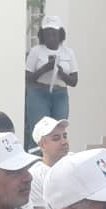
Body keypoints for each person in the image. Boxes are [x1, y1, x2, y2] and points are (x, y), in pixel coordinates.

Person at [25, 15, 79, 149]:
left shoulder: (68, 53)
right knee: (39, 132)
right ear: (42, 35)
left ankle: (57, 158)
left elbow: (74, 81)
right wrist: (45, 69)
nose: (51, 37)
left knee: (58, 130)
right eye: (47, 34)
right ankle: (37, 159)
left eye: (54, 34)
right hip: (38, 93)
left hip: (60, 94)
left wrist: (61, 73)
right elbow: (28, 77)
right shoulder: (36, 51)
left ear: (60, 34)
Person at [28, 116, 70, 209]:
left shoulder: (76, 161)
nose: (64, 142)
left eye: (65, 136)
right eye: (56, 138)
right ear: (42, 145)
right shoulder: (35, 176)